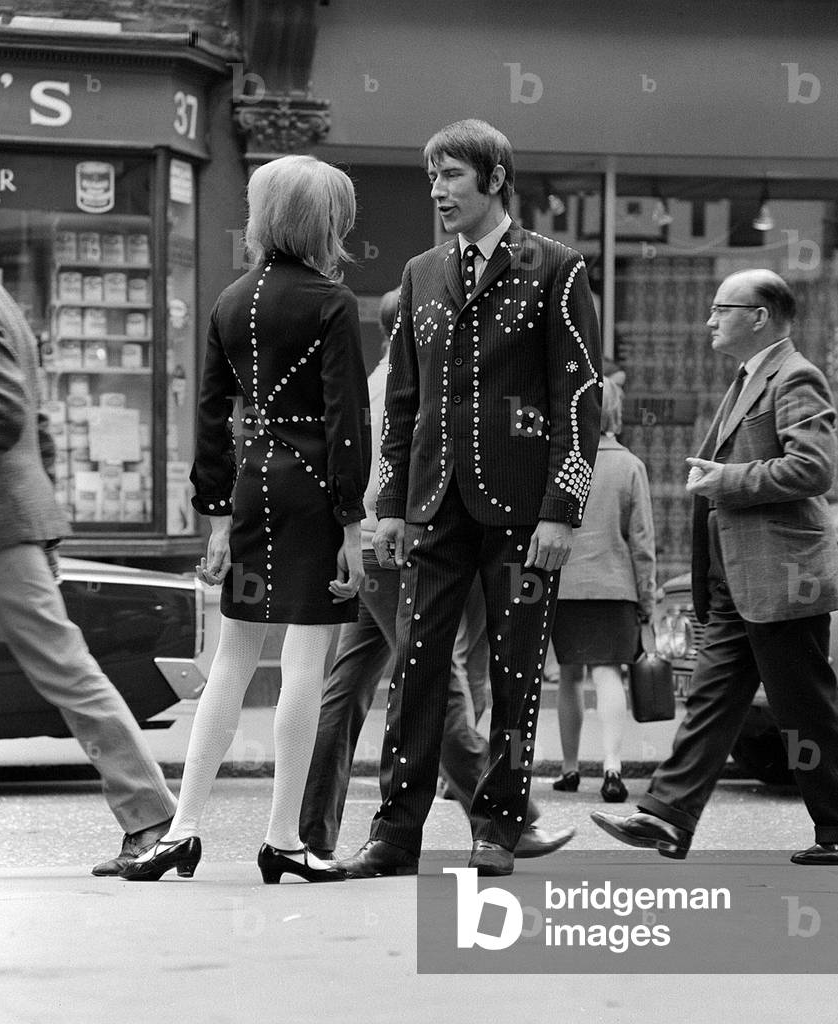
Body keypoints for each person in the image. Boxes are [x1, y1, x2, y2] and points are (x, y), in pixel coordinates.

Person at [340, 119, 601, 880]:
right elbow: (404, 402)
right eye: (432, 176)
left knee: (515, 676)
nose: (437, 191)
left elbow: (577, 399)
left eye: (451, 175)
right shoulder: (421, 273)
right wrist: (391, 504)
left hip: (523, 516)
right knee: (416, 671)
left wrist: (562, 508)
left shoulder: (556, 268)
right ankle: (395, 835)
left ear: (495, 180)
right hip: (433, 509)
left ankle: (499, 830)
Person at [122, 155, 370, 884]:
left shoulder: (230, 301)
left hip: (254, 488)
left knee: (231, 659)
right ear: (323, 221)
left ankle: (182, 829)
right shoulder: (332, 302)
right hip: (316, 495)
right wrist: (352, 525)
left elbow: (209, 417)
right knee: (304, 663)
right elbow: (346, 420)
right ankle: (283, 838)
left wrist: (217, 519)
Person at [592, 269, 838, 866]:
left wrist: (729, 480)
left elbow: (814, 469)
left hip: (782, 578)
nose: (710, 320)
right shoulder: (748, 378)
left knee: (806, 711)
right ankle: (667, 816)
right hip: (738, 579)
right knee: (712, 699)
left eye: (722, 309)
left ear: (760, 317)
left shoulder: (795, 375)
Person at [0, 178, 177, 876]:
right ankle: (152, 816)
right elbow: (37, 419)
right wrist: (46, 519)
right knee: (63, 668)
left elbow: (2, 411)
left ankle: (153, 818)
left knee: (66, 671)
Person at [299, 289, 575, 862]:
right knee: (433, 680)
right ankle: (512, 819)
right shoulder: (403, 388)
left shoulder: (375, 384)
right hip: (394, 548)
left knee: (347, 690)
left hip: (371, 546)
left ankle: (309, 833)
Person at [550, 378, 656, 802]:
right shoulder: (630, 466)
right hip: (615, 586)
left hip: (565, 585)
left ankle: (570, 768)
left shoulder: (561, 462)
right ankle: (612, 769)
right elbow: (642, 543)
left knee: (569, 675)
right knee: (609, 673)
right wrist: (646, 599)